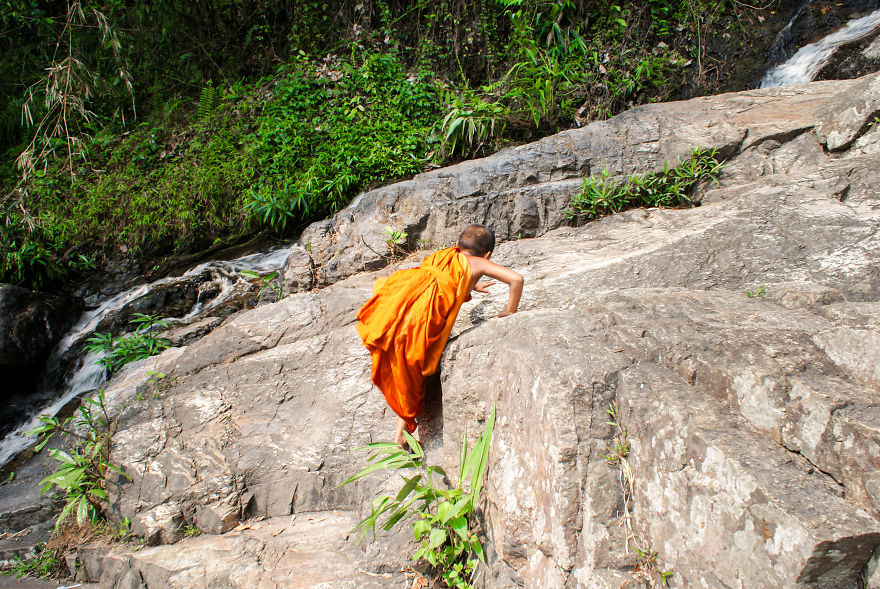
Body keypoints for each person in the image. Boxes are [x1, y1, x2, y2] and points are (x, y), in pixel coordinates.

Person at [356, 224, 524, 446]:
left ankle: (400, 434)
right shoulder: (480, 263)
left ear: (457, 245)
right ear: (488, 254)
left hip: (403, 314)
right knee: (416, 376)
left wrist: (473, 285)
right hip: (420, 325)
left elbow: (445, 280)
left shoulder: (441, 257)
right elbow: (516, 280)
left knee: (403, 369)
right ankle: (401, 435)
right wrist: (509, 311)